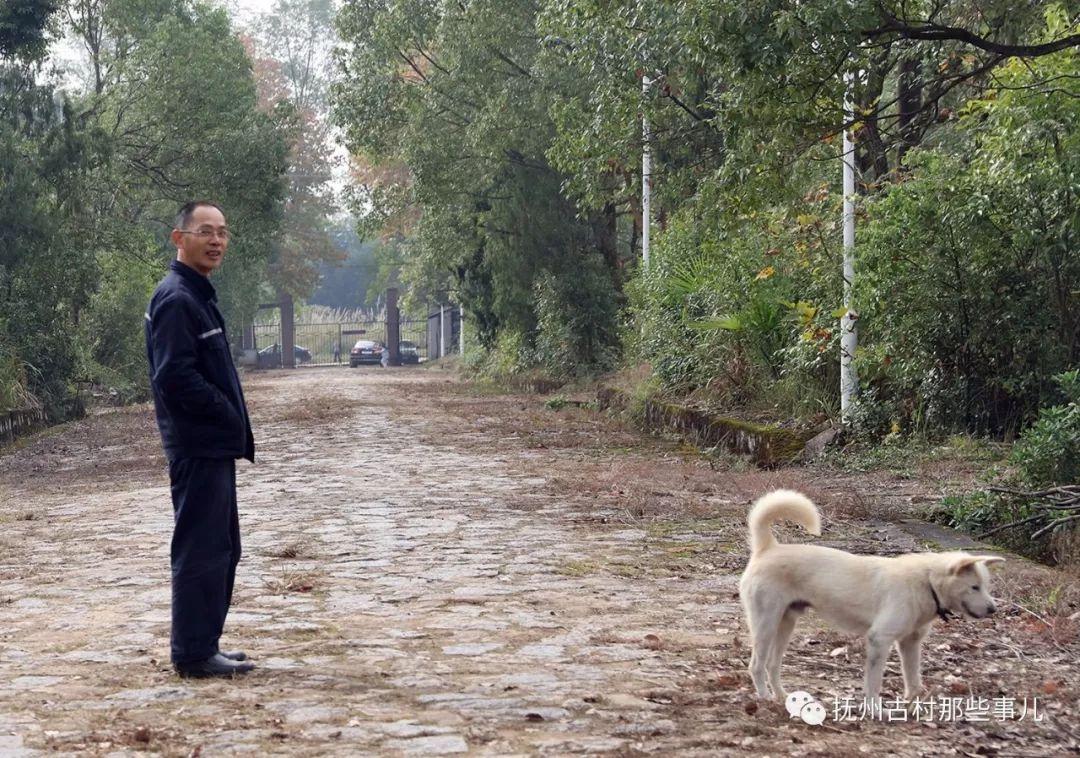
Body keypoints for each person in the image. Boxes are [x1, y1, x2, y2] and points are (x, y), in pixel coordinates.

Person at [144, 200, 256, 679]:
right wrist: (224, 412)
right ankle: (191, 653)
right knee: (201, 549)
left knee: (222, 547)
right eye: (205, 231)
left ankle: (204, 642)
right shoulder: (177, 299)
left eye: (223, 233)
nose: (216, 241)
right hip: (197, 445)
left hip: (212, 445)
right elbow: (174, 378)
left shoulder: (197, 294)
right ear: (179, 238)